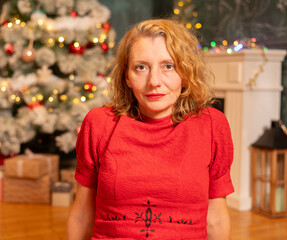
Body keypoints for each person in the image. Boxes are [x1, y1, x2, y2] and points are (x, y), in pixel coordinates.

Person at [67, 19, 234, 240]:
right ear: (127, 76)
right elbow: (82, 215)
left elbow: (217, 219)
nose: (154, 81)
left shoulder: (212, 125)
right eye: (141, 67)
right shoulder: (99, 123)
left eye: (168, 66)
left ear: (184, 73)